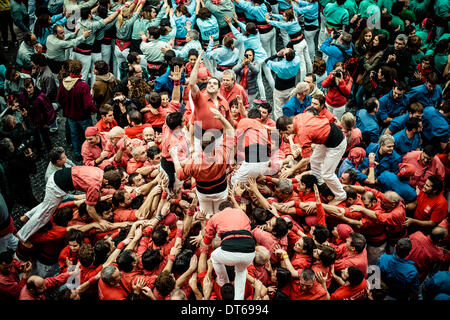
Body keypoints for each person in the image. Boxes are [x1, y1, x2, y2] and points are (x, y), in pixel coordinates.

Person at [16, 166, 122, 244]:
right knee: (44, 216)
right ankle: (22, 235)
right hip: (57, 187)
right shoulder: (95, 186)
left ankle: (28, 216)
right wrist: (100, 220)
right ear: (106, 181)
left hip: (57, 178)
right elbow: (90, 208)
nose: (108, 189)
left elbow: (96, 194)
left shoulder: (100, 172)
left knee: (47, 205)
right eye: (109, 187)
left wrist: (99, 199)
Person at [201, 201, 256, 300]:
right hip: (249, 251)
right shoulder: (241, 213)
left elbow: (207, 239)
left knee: (214, 257)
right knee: (241, 272)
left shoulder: (217, 216)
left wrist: (208, 222)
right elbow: (251, 228)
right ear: (231, 207)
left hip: (230, 249)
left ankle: (224, 282)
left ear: (220, 210)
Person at [57, 60, 98, 161]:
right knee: (88, 135)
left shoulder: (64, 83)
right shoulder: (83, 86)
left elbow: (59, 99)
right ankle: (88, 152)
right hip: (83, 116)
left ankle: (77, 154)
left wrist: (66, 107)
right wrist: (94, 109)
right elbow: (88, 104)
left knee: (74, 134)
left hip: (70, 115)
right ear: (80, 70)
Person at [266, 48, 301, 120]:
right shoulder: (297, 60)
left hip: (280, 89)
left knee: (278, 109)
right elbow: (296, 54)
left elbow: (267, 61)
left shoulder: (279, 65)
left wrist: (277, 55)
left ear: (284, 56)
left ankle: (280, 125)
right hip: (291, 87)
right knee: (290, 106)